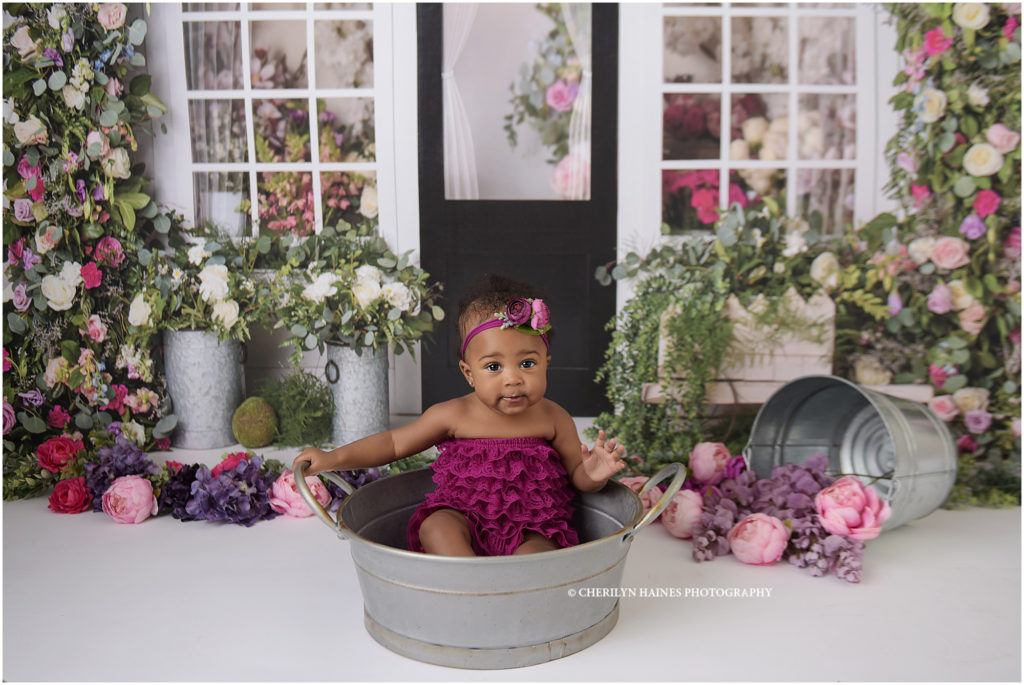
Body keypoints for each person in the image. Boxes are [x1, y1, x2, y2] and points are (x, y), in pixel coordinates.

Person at [294, 274, 626, 557]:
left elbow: (577, 477)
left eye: (527, 363)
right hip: (465, 518)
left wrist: (593, 474)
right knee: (437, 526)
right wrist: (332, 458)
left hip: (532, 527)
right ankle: (467, 581)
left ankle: (512, 590)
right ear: (469, 373)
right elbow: (394, 444)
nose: (513, 378)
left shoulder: (553, 418)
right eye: (493, 367)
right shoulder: (453, 415)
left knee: (539, 554)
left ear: (546, 363)